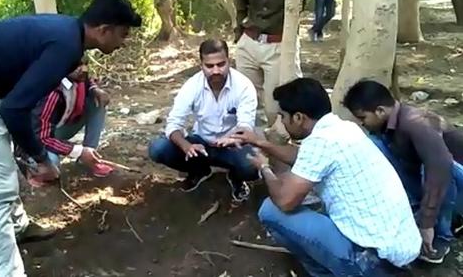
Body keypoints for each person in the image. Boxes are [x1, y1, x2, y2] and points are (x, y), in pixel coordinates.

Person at [0, 0, 141, 276]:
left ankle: (19, 225)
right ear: (104, 30)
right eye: (123, 34)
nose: (124, 42)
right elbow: (14, 109)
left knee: (4, 167)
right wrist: (41, 158)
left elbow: (21, 99)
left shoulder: (68, 35)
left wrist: (30, 153)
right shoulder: (65, 45)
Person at [225, 78, 421, 275]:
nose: (282, 123)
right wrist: (261, 143)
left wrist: (265, 168)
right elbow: (302, 157)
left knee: (270, 210)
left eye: (283, 116)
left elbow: (285, 202)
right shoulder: (344, 128)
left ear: (299, 117)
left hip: (371, 260)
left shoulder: (320, 142)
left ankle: (327, 272)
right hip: (400, 249)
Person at [344, 80, 463, 264]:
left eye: (363, 118)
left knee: (436, 167)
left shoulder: (416, 124)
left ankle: (442, 236)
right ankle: (419, 213)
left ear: (380, 111)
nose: (362, 124)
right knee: (374, 146)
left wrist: (427, 223)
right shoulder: (387, 125)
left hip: (452, 179)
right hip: (437, 180)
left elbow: (440, 170)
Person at [148, 39, 259, 204]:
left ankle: (236, 178)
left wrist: (233, 139)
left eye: (221, 64)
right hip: (201, 145)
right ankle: (199, 171)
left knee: (253, 165)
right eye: (209, 66)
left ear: (229, 61)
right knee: (158, 148)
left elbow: (246, 126)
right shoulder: (192, 86)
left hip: (233, 145)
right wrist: (187, 146)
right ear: (201, 65)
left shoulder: (244, 86)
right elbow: (173, 124)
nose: (216, 71)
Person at [234, 0, 301, 126]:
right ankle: (246, 150)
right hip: (249, 45)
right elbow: (240, 8)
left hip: (278, 47)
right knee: (244, 104)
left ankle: (277, 148)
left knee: (276, 109)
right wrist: (240, 38)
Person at [22, 59, 114, 184]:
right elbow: (41, 138)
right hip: (40, 138)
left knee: (97, 102)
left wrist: (94, 89)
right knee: (50, 168)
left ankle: (90, 157)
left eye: (85, 65)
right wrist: (78, 151)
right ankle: (26, 167)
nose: (83, 70)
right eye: (77, 66)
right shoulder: (52, 91)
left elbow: (87, 81)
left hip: (61, 126)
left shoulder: (77, 78)